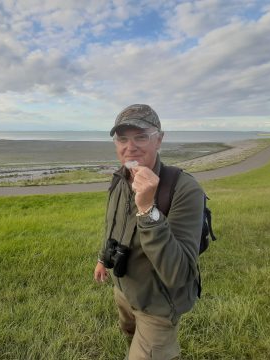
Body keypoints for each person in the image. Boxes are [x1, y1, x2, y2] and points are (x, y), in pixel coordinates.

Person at [94, 104, 205, 360]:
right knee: (129, 332)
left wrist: (147, 209)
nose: (129, 147)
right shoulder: (120, 178)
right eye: (122, 138)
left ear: (159, 140)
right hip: (124, 290)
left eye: (141, 137)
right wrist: (102, 259)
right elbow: (112, 224)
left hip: (158, 305)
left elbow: (179, 274)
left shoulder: (184, 189)